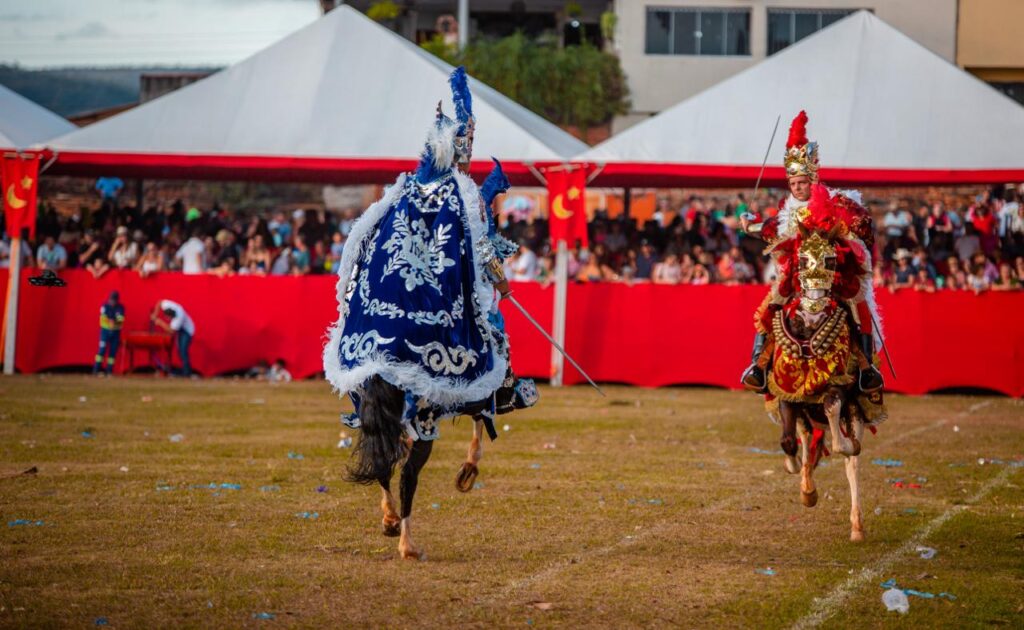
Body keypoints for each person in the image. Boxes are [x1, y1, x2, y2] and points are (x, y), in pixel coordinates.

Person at [740, 111, 882, 393]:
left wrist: (847, 232)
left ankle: (867, 369)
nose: (797, 188)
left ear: (813, 179)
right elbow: (773, 229)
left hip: (833, 273)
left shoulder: (838, 202)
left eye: (802, 183)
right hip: (799, 273)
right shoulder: (789, 210)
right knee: (772, 304)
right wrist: (750, 225)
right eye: (793, 184)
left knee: (858, 302)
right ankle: (758, 364)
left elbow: (862, 226)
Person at [151, 299, 196, 377]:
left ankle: (187, 373)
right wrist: (155, 314)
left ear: (173, 316)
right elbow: (159, 303)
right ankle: (184, 371)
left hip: (187, 331)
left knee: (183, 351)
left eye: (169, 318)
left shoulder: (178, 318)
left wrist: (160, 323)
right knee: (180, 351)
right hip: (181, 329)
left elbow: (171, 330)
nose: (168, 320)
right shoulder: (167, 305)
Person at [93, 291, 125, 375]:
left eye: (114, 300)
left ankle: (109, 371)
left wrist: (114, 322)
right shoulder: (105, 306)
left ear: (117, 301)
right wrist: (109, 321)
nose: (112, 302)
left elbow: (121, 320)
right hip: (105, 332)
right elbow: (103, 317)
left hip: (115, 333)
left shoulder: (120, 308)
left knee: (112, 352)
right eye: (111, 300)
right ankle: (96, 370)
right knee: (102, 350)